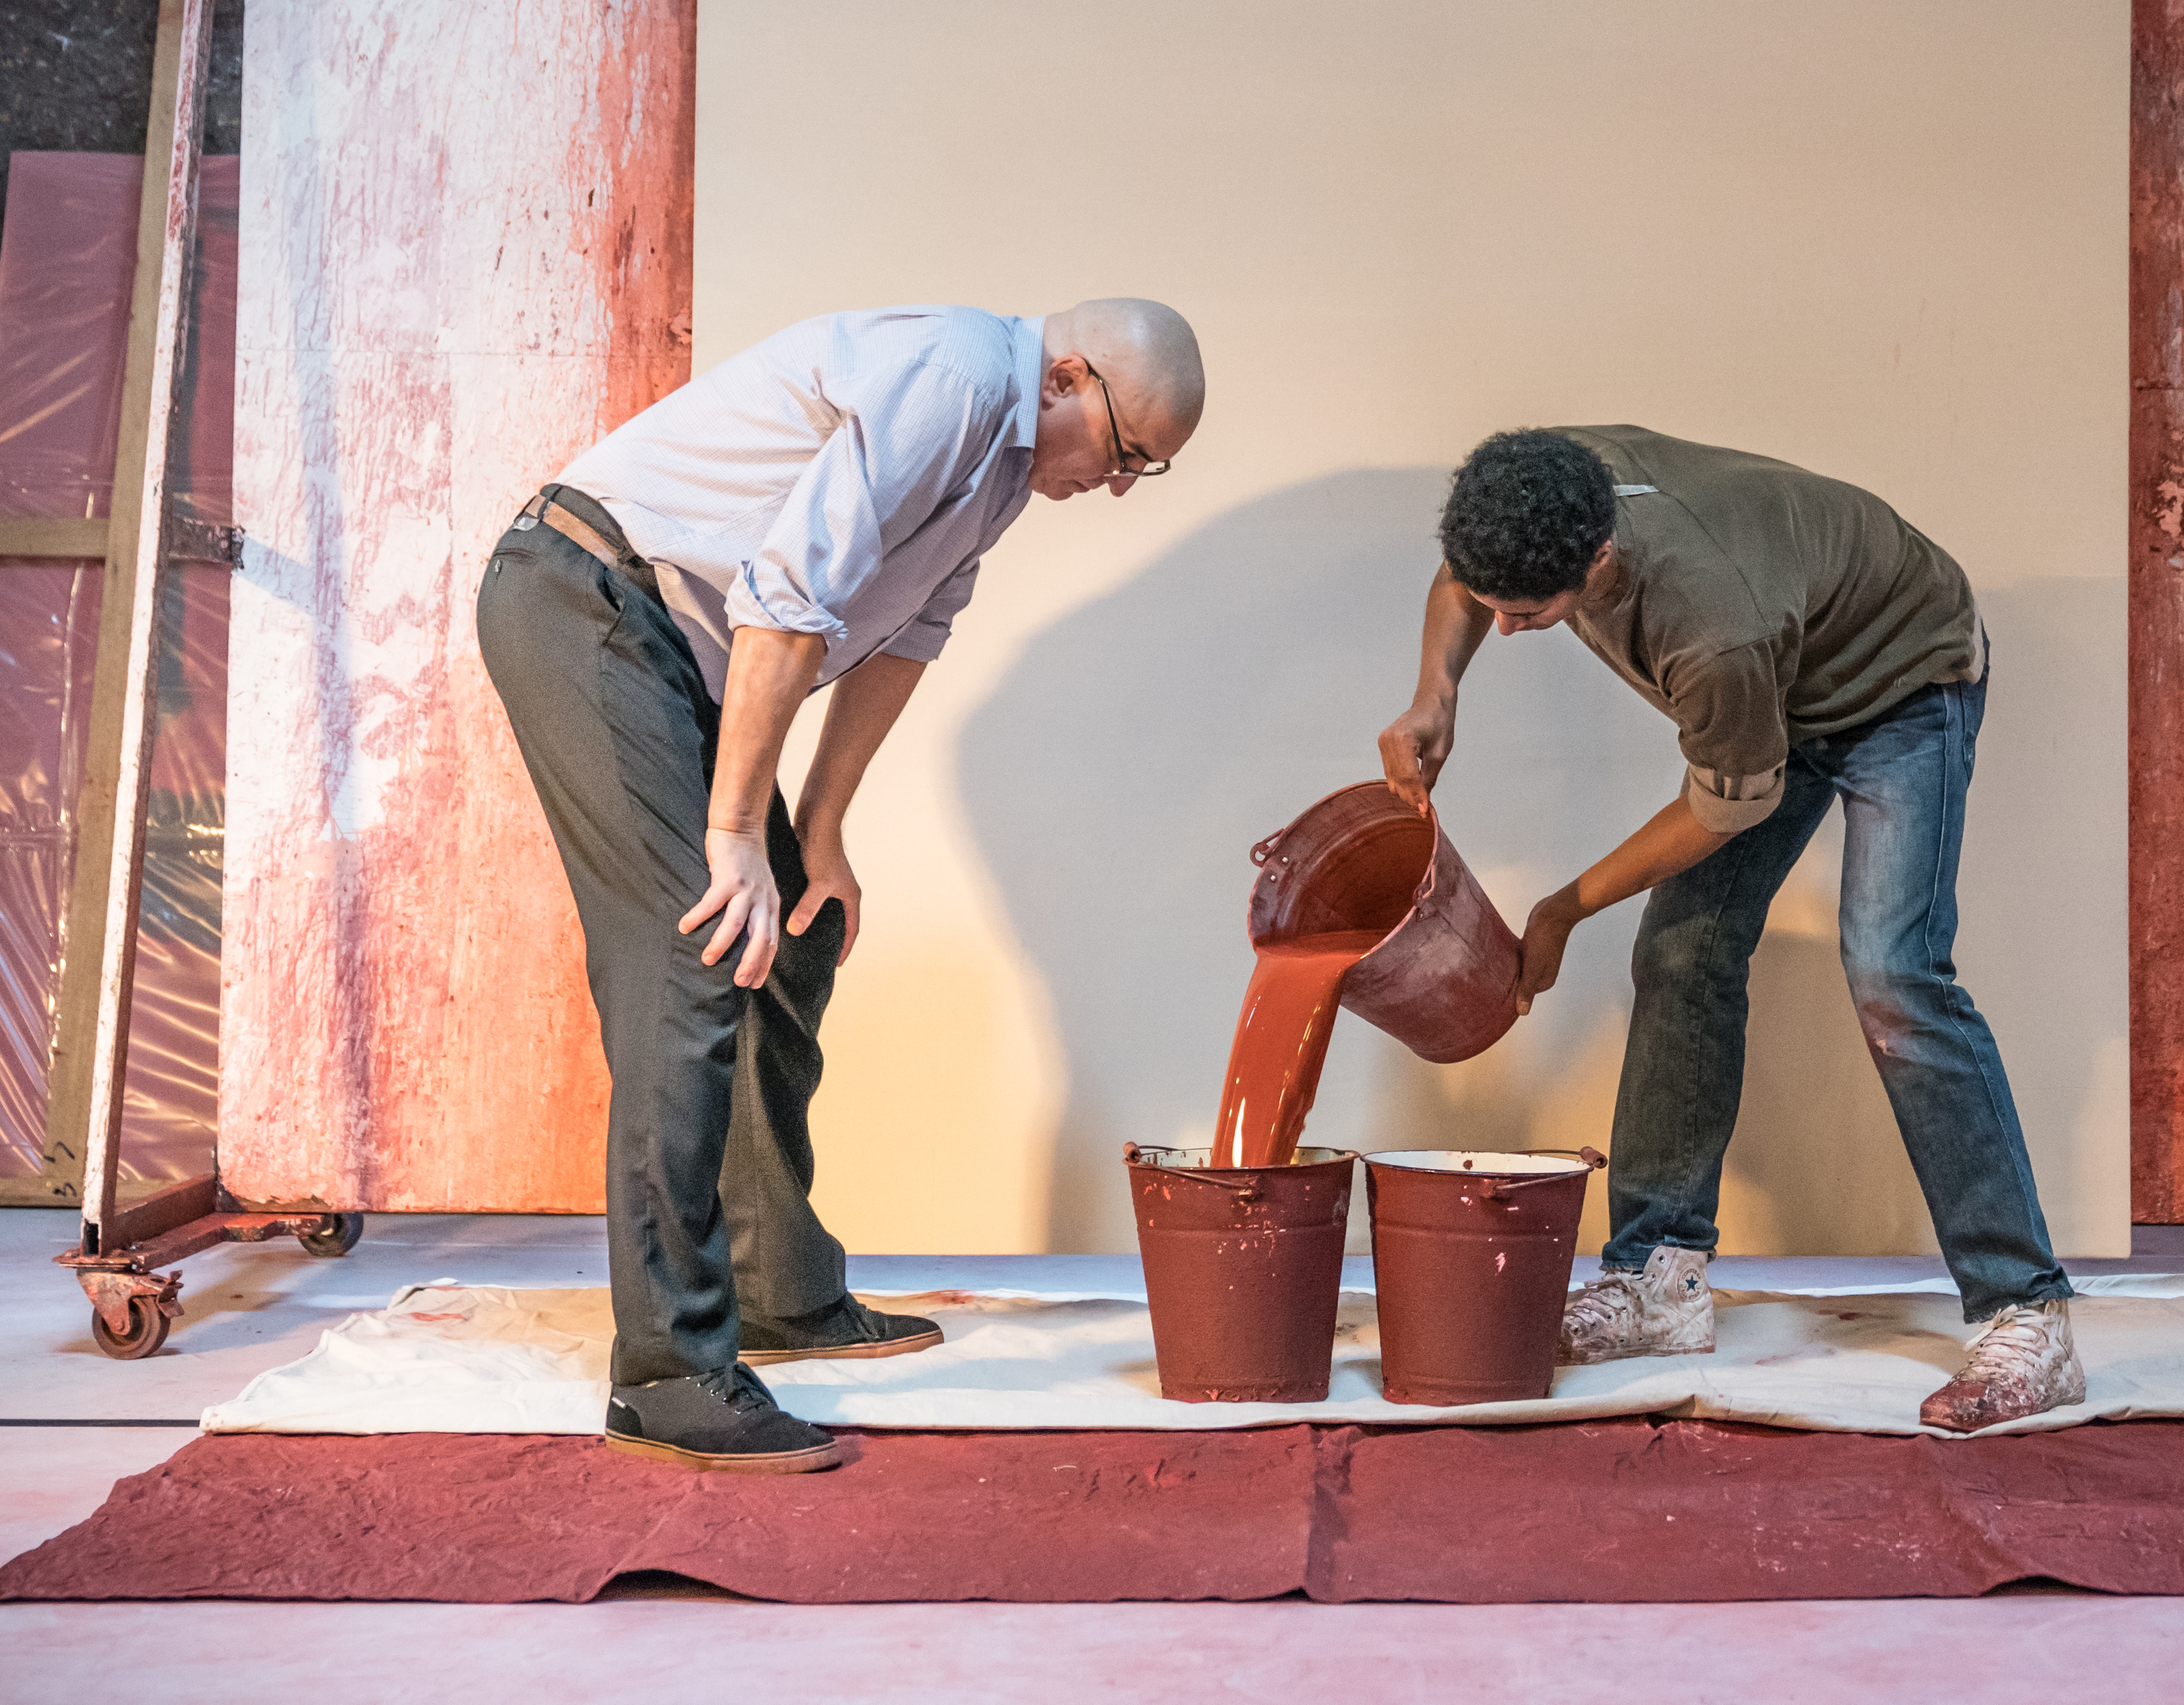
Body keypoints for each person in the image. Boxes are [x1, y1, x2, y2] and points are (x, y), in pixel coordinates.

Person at [478, 299, 1204, 1471]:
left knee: (795, 931)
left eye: (1144, 470)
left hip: (684, 653)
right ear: (1068, 377)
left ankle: (778, 1289)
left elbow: (908, 635)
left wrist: (815, 833)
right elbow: (783, 593)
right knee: (697, 946)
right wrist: (730, 836)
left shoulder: (1003, 468)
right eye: (1126, 453)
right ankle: (668, 1370)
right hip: (587, 600)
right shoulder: (957, 380)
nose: (1118, 484)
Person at [1376, 425, 2082, 1431]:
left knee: (1893, 974)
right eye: (1495, 606)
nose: (1509, 625)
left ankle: (2027, 1309)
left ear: (1600, 558)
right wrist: (1436, 690)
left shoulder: (1709, 625)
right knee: (1679, 950)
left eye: (1526, 613)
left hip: (1899, 681)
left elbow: (1728, 804)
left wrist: (1561, 907)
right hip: (1782, 677)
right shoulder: (1544, 483)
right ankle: (1659, 1280)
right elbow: (1464, 575)